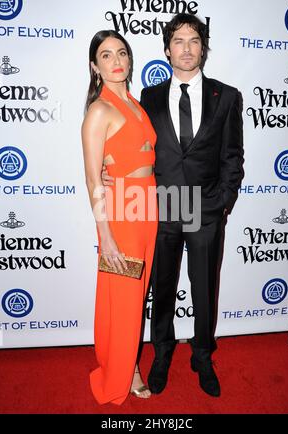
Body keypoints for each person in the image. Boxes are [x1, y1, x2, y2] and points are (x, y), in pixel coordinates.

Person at [102, 13, 244, 398]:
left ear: (203, 48)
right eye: (178, 41)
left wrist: (222, 203)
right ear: (167, 50)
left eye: (194, 40)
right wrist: (105, 170)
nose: (186, 48)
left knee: (204, 290)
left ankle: (202, 355)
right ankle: (161, 354)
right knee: (161, 290)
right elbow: (130, 141)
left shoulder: (227, 96)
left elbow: (233, 156)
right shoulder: (147, 96)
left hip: (206, 209)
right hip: (161, 206)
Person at [82, 30, 158, 405]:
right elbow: (93, 177)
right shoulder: (100, 109)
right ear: (95, 66)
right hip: (122, 214)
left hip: (148, 209)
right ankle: (127, 372)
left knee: (136, 294)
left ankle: (127, 362)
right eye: (106, 55)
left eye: (122, 53)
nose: (116, 60)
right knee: (126, 299)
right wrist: (105, 235)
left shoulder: (135, 103)